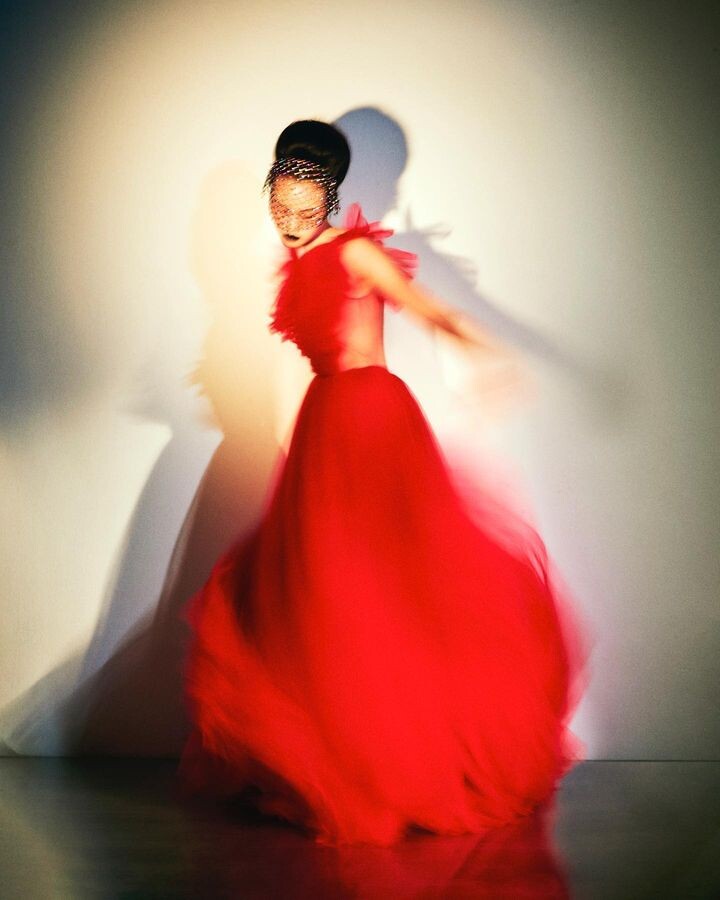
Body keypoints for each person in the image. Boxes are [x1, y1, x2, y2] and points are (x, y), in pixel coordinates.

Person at [176, 119, 590, 847]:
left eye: (305, 207)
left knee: (376, 588)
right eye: (280, 204)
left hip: (369, 421)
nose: (290, 220)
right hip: (324, 426)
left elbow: (433, 311)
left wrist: (490, 357)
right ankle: (340, 764)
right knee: (324, 597)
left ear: (331, 198)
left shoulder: (357, 252)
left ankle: (400, 766)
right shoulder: (298, 261)